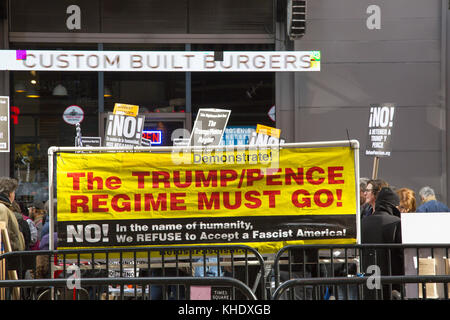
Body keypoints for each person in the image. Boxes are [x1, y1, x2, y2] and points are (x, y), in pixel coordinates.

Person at [361, 187, 403, 299]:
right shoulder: (397, 222)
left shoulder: (363, 222)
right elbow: (401, 252)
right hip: (392, 280)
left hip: (369, 278)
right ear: (393, 205)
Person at [0, 177, 25, 252]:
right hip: (8, 258)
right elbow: (2, 234)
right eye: (14, 192)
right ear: (10, 193)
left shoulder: (5, 208)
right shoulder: (2, 208)